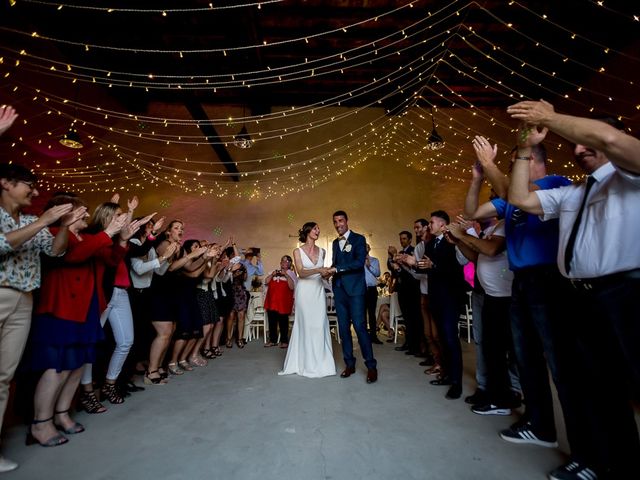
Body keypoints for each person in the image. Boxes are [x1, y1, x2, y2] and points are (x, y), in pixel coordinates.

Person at [507, 99, 640, 479]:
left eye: (586, 144)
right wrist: (522, 150)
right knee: (600, 389)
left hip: (627, 295)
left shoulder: (632, 174)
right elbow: (519, 199)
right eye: (575, 146)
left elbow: (610, 140)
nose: (578, 150)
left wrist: (549, 118)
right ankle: (613, 464)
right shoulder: (574, 193)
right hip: (581, 297)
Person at [0, 165, 84, 472]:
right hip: (2, 293)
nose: (35, 192)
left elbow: (56, 252)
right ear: (6, 183)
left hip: (25, 298)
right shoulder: (23, 220)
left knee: (3, 378)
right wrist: (46, 220)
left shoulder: (31, 221)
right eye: (29, 186)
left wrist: (60, 225)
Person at [279, 222, 336, 378]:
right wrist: (318, 269)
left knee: (319, 325)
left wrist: (328, 272)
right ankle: (303, 363)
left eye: (319, 228)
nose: (318, 230)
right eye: (315, 228)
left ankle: (321, 363)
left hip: (318, 291)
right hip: (304, 292)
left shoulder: (323, 251)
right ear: (308, 231)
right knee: (305, 325)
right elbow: (301, 273)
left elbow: (322, 274)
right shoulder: (297, 251)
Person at [328, 211, 377, 383]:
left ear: (347, 221)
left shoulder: (359, 239)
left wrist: (337, 269)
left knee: (360, 326)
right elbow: (336, 263)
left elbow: (358, 263)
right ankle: (349, 364)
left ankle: (371, 366)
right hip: (340, 290)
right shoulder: (335, 243)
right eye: (335, 221)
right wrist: (329, 271)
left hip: (356, 290)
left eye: (340, 220)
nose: (338, 224)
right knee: (343, 329)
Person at [263, 255, 296, 348]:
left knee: (283, 322)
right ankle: (273, 340)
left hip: (283, 303)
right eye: (282, 261)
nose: (283, 263)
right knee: (272, 321)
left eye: (286, 261)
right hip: (272, 301)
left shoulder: (291, 274)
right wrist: (272, 275)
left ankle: (284, 341)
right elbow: (266, 281)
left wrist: (286, 275)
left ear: (290, 263)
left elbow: (292, 287)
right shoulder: (274, 272)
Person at [364, 243, 382, 344]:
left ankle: (373, 336)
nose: (365, 248)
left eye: (366, 246)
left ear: (369, 248)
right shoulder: (358, 261)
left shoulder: (375, 260)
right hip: (361, 289)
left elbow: (378, 273)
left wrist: (369, 265)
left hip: (371, 289)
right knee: (362, 314)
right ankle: (364, 337)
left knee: (372, 313)